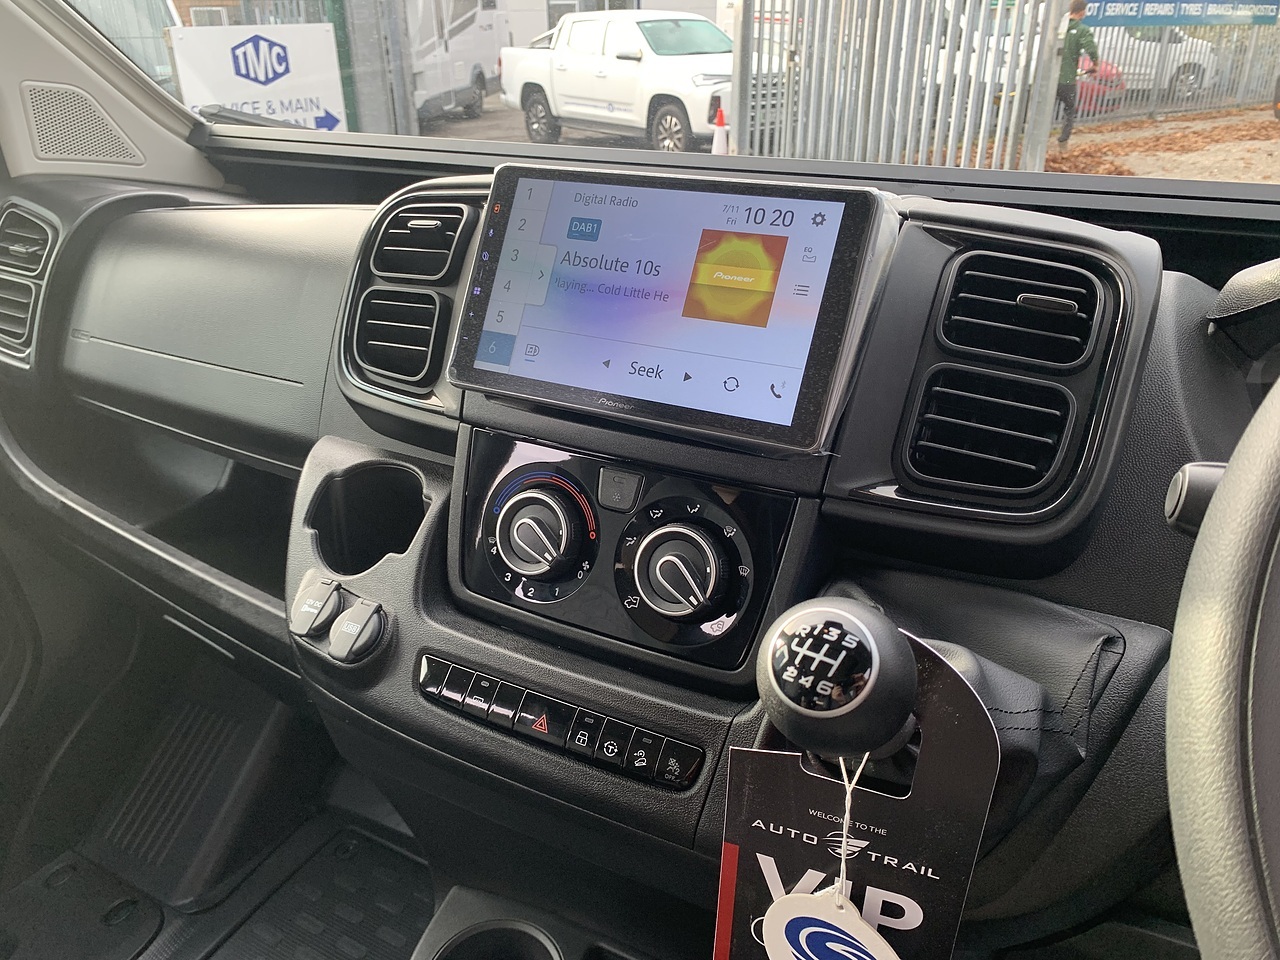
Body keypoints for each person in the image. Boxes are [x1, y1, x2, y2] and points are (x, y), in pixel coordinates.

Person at [1055, 0, 1099, 154]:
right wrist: (1095, 64)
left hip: (1049, 78)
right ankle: (1063, 141)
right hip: (1067, 79)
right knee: (1069, 110)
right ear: (1082, 12)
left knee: (1043, 109)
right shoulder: (1082, 30)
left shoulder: (1057, 27)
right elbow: (1091, 49)